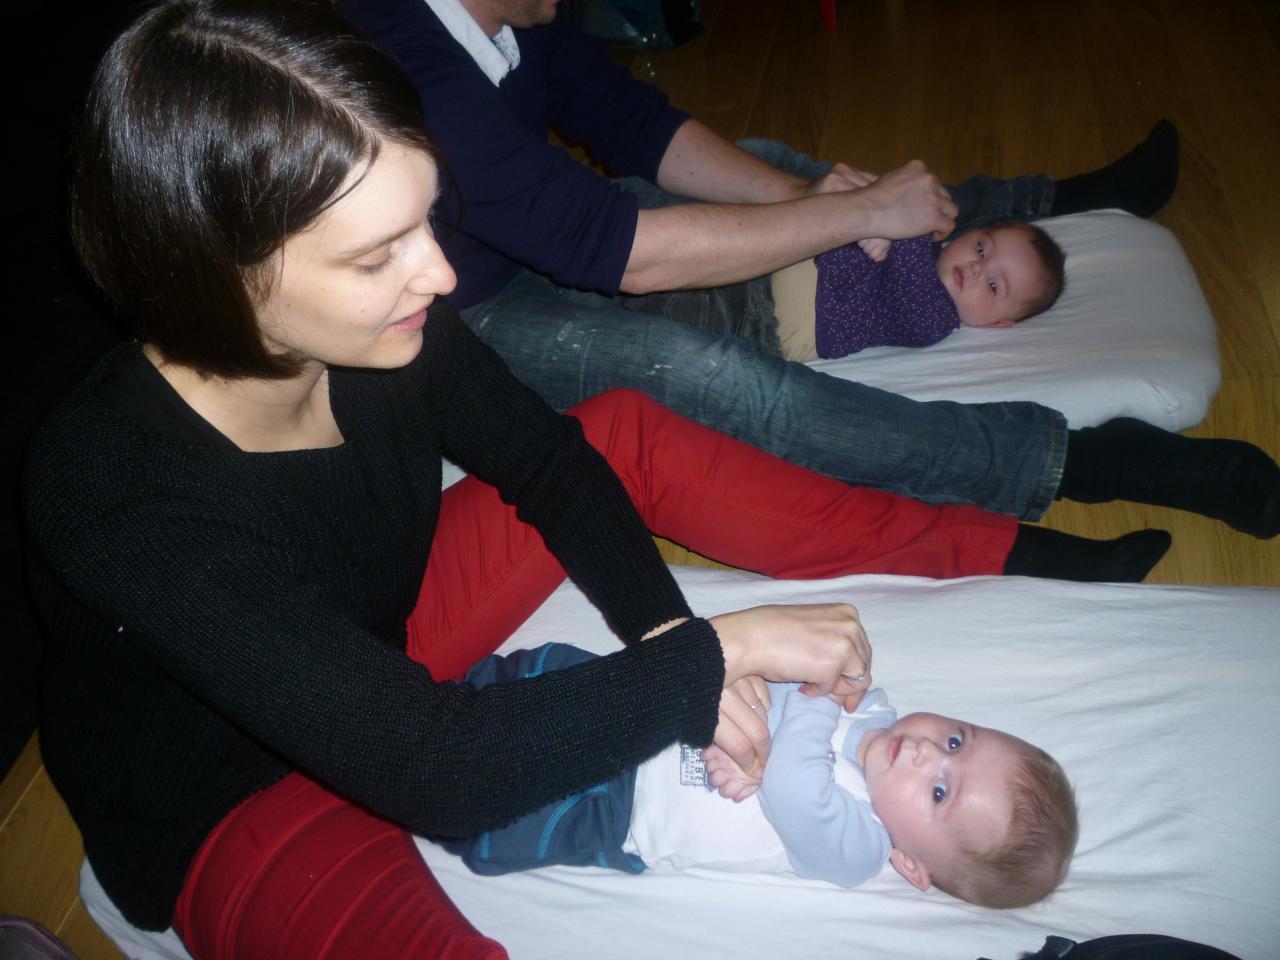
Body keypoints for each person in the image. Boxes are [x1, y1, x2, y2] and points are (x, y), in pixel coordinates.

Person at [22, 2, 1152, 957]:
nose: (438, 271)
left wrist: (670, 644)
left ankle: (993, 542)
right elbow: (440, 772)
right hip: (230, 791)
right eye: (380, 255)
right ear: (220, 281)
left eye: (423, 221)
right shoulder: (114, 491)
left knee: (614, 432)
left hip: (383, 646)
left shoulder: (384, 335)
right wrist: (720, 654)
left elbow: (550, 462)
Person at [337, 0, 1280, 539]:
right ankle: (1085, 458)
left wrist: (805, 205)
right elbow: (610, 251)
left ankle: (1046, 199)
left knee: (764, 161)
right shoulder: (394, 52)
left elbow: (636, 126)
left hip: (545, 237)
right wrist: (850, 215)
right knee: (724, 381)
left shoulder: (519, 13)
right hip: (459, 317)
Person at [441, 642, 1076, 910]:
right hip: (652, 706)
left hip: (625, 812)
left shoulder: (862, 846)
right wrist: (773, 726)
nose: (924, 753)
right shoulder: (868, 700)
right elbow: (772, 672)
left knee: (502, 820)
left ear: (915, 865)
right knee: (540, 676)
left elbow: (796, 791)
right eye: (956, 740)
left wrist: (813, 704)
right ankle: (443, 698)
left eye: (939, 792)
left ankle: (431, 798)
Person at [770, 221, 1066, 361]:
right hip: (778, 255)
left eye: (992, 286)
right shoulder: (929, 247)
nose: (977, 267)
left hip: (780, 321)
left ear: (995, 323)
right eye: (981, 248)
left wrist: (911, 218)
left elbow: (906, 265)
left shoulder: (934, 319)